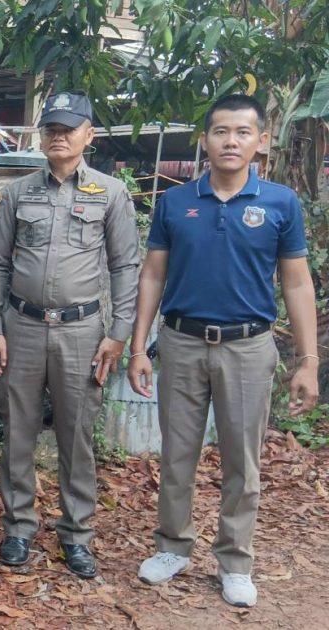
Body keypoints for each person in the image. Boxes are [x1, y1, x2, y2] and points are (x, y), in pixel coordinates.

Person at [129, 94, 319, 608]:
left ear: (261, 141)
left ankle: (235, 561)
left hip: (248, 347)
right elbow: (153, 275)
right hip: (182, 342)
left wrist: (308, 360)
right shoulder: (175, 203)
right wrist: (138, 348)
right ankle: (172, 546)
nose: (230, 141)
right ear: (205, 140)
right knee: (177, 454)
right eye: (220, 131)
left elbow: (297, 283)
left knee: (243, 460)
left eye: (242, 132)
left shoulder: (280, 203)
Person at [0, 92, 140, 579]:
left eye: (69, 128)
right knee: (18, 431)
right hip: (23, 328)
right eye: (51, 127)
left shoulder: (110, 193)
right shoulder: (18, 192)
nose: (58, 136)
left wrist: (119, 333)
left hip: (83, 332)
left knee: (77, 436)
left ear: (88, 135)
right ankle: (18, 528)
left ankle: (76, 534)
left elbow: (125, 266)